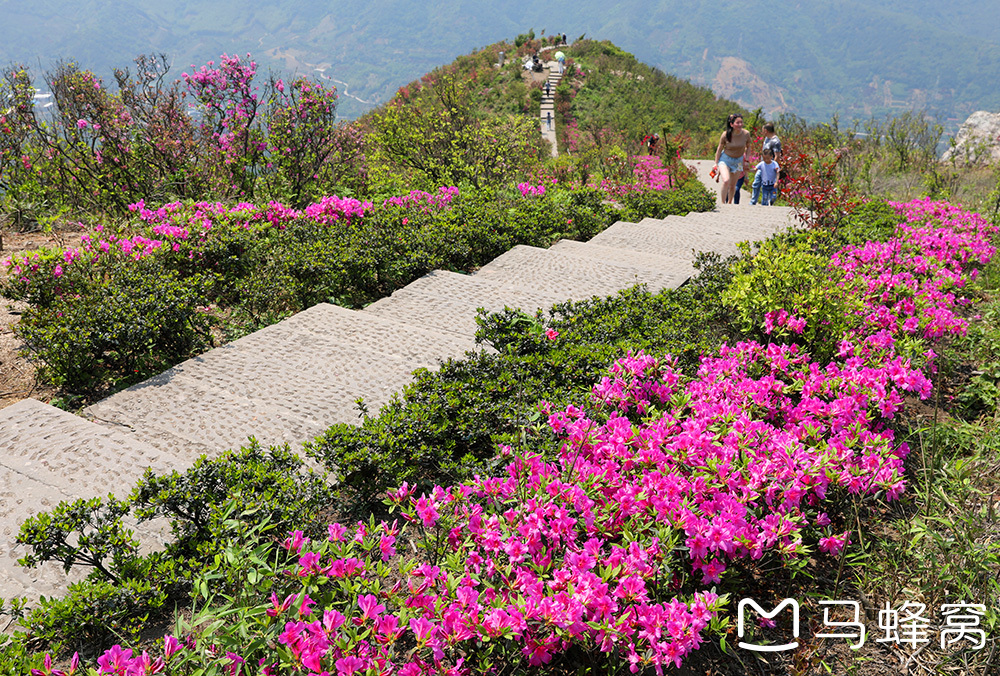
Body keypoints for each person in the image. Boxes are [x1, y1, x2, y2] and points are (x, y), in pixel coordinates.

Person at [713, 114, 751, 204]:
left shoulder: (746, 134)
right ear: (731, 124)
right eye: (737, 123)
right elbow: (719, 149)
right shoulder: (725, 134)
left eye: (741, 122)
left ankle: (729, 203)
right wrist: (716, 163)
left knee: (733, 186)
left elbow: (748, 147)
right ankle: (722, 203)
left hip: (738, 161)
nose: (740, 124)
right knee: (726, 181)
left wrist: (747, 160)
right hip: (725, 159)